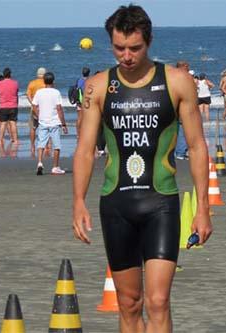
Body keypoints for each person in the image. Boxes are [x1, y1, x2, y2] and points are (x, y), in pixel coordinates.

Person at [72, 5, 212, 333]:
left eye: (135, 48)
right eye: (119, 48)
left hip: (160, 203)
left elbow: (196, 146)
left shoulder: (177, 82)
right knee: (129, 303)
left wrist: (203, 207)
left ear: (148, 41)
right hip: (116, 205)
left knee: (158, 301)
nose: (127, 55)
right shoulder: (97, 86)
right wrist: (78, 200)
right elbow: (85, 148)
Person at [32, 72, 68, 175]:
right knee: (57, 146)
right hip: (54, 122)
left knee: (41, 144)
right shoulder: (56, 92)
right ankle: (55, 167)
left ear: (44, 81)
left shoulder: (39, 92)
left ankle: (39, 162)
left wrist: (38, 114)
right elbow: (59, 109)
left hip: (43, 121)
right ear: (53, 81)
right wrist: (64, 124)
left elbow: (34, 105)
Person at [26, 67, 47, 154]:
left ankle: (32, 146)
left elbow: (28, 95)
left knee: (33, 128)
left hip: (34, 107)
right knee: (46, 127)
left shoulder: (32, 83)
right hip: (45, 107)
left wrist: (32, 103)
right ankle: (46, 146)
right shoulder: (47, 83)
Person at [0, 67, 19, 143]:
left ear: (3, 75)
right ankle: (15, 140)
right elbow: (16, 93)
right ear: (10, 74)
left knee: (3, 123)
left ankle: (0, 140)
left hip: (3, 106)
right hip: (13, 105)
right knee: (13, 123)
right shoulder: (15, 83)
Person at [174, 60, 190, 160]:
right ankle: (180, 152)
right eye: (187, 66)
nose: (188, 68)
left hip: (175, 108)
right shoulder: (182, 77)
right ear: (183, 66)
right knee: (183, 132)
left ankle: (177, 152)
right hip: (181, 108)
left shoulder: (172, 76)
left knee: (176, 131)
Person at [75, 66, 91, 136]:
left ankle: (78, 133)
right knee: (88, 118)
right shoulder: (90, 80)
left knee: (79, 118)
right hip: (87, 102)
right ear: (89, 73)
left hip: (79, 101)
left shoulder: (79, 80)